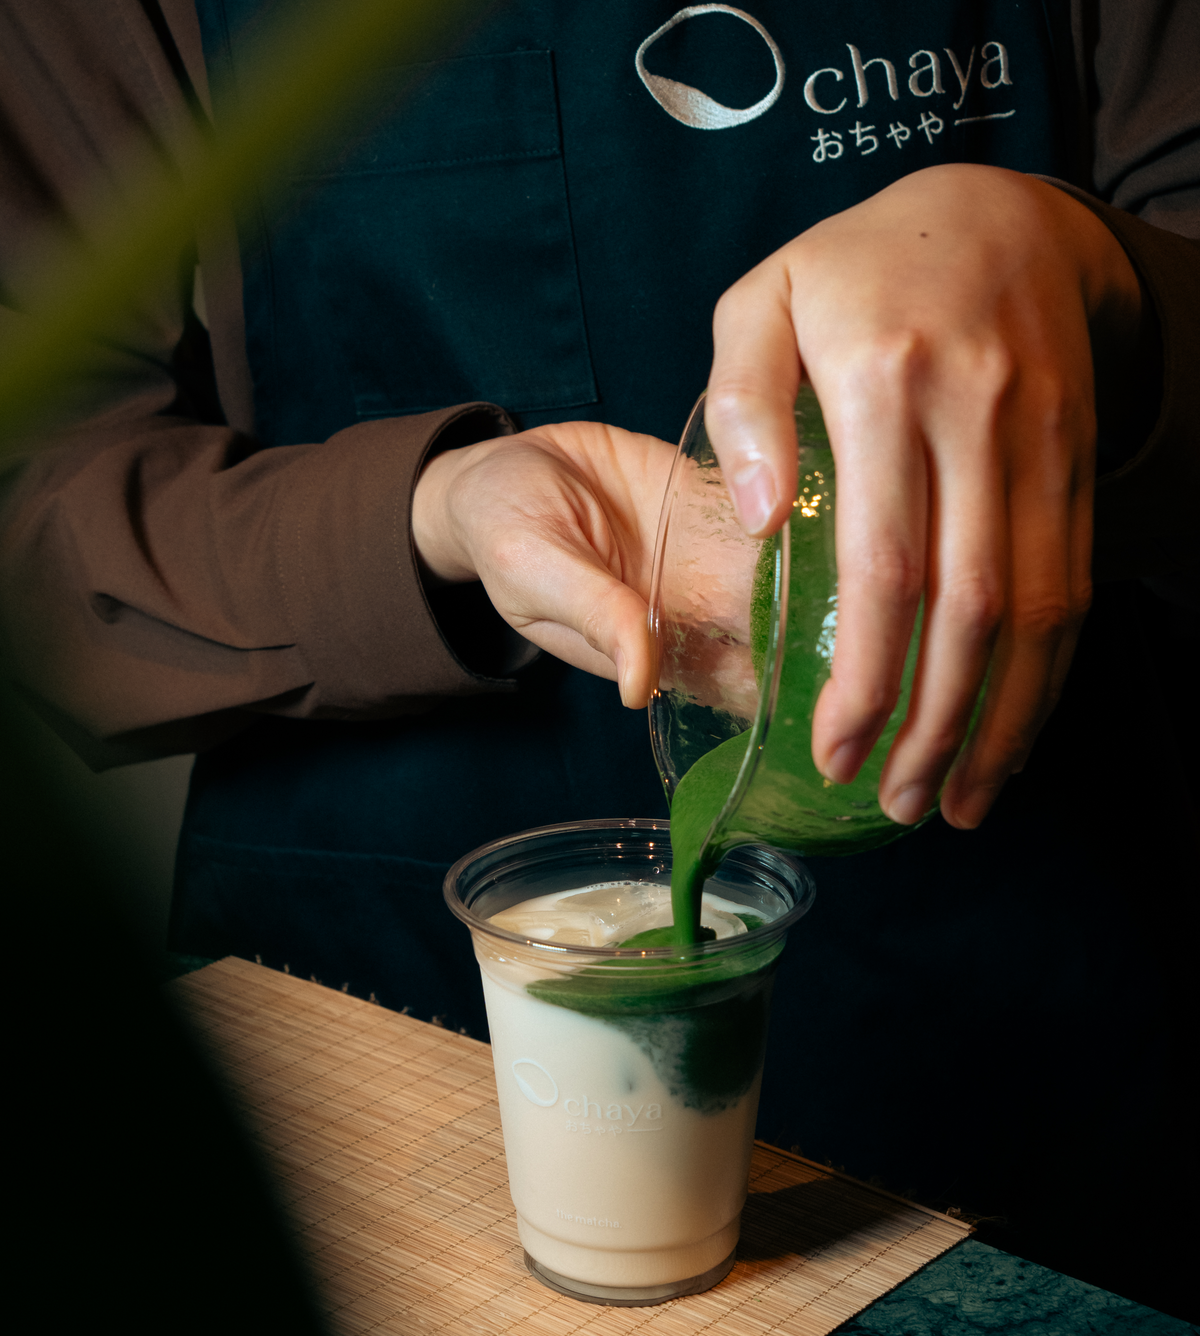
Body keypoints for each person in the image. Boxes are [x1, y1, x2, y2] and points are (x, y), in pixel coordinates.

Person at [1, 0, 1196, 1314]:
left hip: (1036, 1027)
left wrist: (1098, 279)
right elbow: (36, 502)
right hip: (370, 1023)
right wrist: (433, 512)